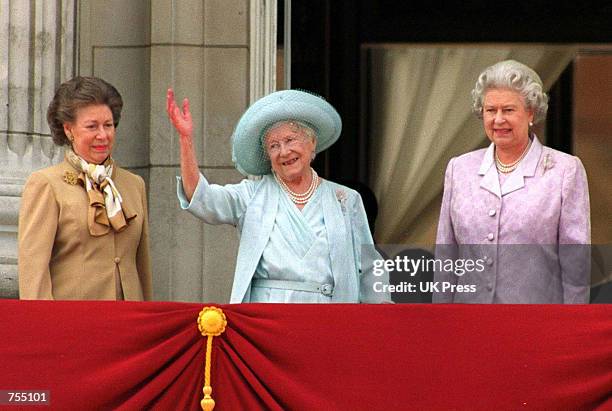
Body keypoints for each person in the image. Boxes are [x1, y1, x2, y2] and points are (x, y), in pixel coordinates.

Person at [167, 88, 390, 303]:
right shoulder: (251, 195)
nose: (284, 152)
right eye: (274, 146)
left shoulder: (345, 200)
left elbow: (369, 267)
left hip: (328, 319)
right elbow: (202, 198)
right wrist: (186, 140)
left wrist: (381, 315)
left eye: (291, 140)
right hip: (267, 318)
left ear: (312, 143)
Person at [434, 60, 590, 304]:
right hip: (468, 323)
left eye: (508, 110)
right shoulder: (459, 169)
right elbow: (446, 254)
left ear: (530, 113)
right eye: (490, 110)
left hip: (536, 325)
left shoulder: (564, 170)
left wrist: (573, 328)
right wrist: (440, 318)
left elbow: (576, 263)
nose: (498, 120)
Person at [18, 77, 152, 300]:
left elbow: (142, 267)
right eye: (92, 126)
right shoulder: (47, 184)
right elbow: (34, 273)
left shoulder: (133, 184)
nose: (103, 135)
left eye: (108, 125)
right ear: (69, 129)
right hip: (73, 325)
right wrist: (44, 329)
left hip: (128, 323)